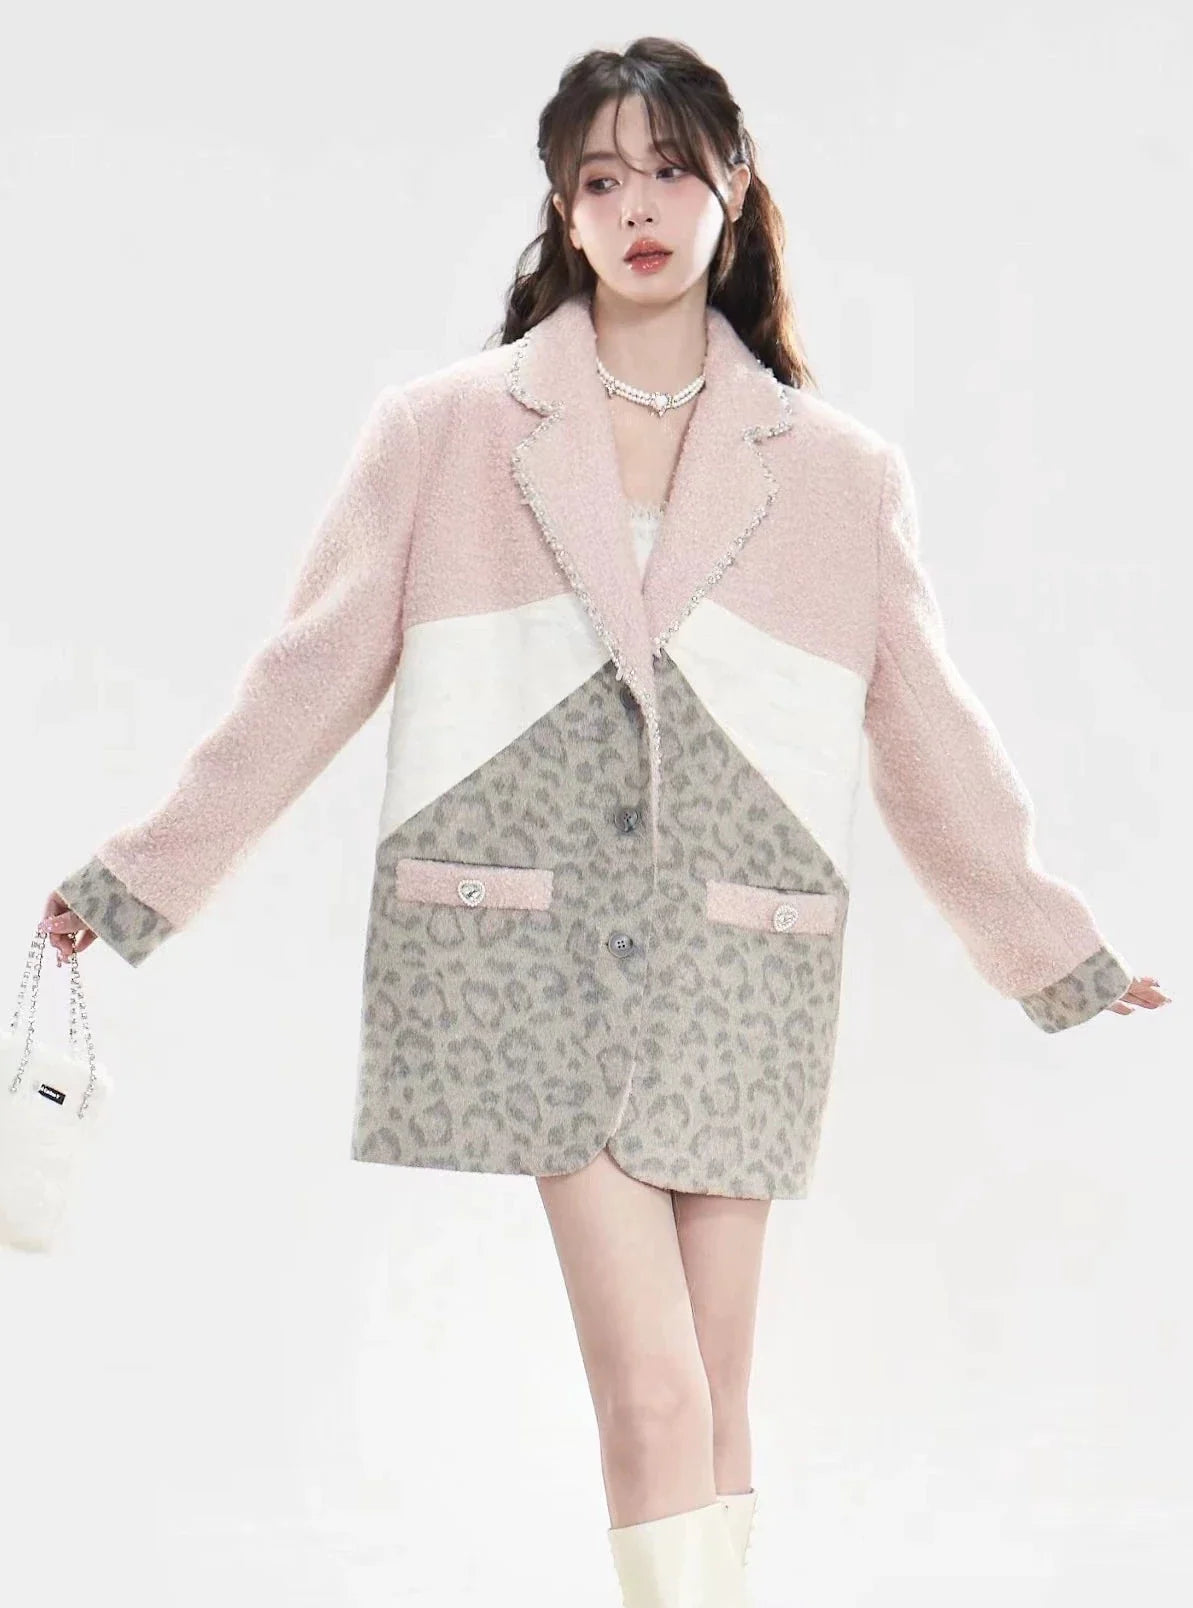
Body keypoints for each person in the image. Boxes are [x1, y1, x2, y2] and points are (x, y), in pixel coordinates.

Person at [38, 36, 1170, 1608]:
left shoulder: (836, 476)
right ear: (562, 211)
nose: (636, 206)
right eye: (598, 178)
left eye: (667, 171)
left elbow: (929, 734)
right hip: (528, 956)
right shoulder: (447, 432)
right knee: (653, 1394)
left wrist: (1053, 951)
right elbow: (307, 677)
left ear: (733, 187)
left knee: (716, 1392)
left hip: (738, 962)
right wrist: (142, 877)